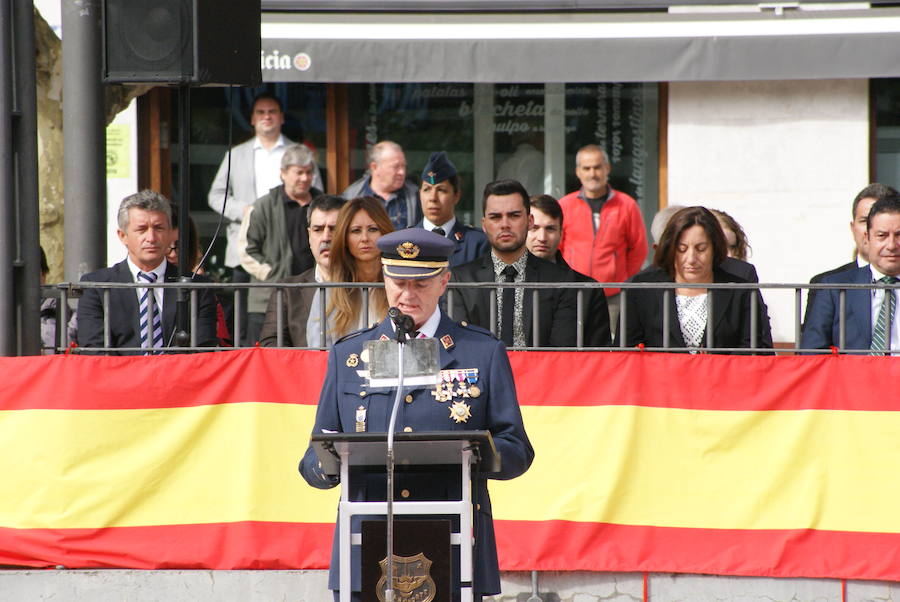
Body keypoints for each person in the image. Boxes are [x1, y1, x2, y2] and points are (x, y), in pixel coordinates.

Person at [298, 228, 534, 601]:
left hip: (453, 539)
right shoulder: (349, 355)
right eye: (398, 282)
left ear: (444, 281)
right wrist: (326, 464)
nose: (408, 296)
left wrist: (478, 454)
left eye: (421, 283)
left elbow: (517, 449)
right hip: (367, 536)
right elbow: (315, 453)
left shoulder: (480, 352)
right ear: (383, 279)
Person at [207, 93, 323, 344]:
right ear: (252, 119)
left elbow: (320, 198)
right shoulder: (236, 154)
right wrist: (245, 211)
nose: (266, 117)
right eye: (261, 112)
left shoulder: (298, 152)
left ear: (281, 117)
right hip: (252, 252)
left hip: (298, 252)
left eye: (272, 112)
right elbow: (216, 195)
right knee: (250, 325)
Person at [77, 190, 218, 354]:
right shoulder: (96, 286)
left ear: (170, 233)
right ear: (123, 236)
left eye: (159, 228)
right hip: (119, 377)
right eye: (141, 229)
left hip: (178, 377)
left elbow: (202, 350)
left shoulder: (196, 287)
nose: (151, 237)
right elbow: (95, 350)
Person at [617, 206, 772, 353]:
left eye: (701, 249)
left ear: (715, 248)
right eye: (682, 249)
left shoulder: (740, 290)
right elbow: (625, 354)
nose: (691, 259)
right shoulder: (640, 290)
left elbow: (756, 350)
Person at [450, 179, 576, 348]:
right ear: (484, 225)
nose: (505, 225)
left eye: (514, 216)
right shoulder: (460, 280)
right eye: (495, 217)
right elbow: (461, 345)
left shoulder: (560, 280)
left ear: (529, 221)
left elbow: (562, 349)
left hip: (543, 373)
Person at [238, 144, 324, 344]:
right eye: (299, 172)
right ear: (283, 173)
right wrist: (273, 275)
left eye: (309, 172)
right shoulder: (262, 206)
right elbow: (246, 250)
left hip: (316, 296)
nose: (304, 178)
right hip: (268, 299)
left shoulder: (324, 205)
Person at [558, 144, 648, 331]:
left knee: (612, 349)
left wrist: (621, 280)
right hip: (573, 294)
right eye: (587, 168)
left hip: (613, 297)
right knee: (573, 346)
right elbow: (557, 248)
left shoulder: (626, 205)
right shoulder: (565, 206)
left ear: (607, 168)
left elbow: (638, 249)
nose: (593, 174)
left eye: (597, 167)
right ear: (578, 172)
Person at [802, 195, 900, 353]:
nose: (891, 245)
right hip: (853, 376)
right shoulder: (834, 288)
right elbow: (811, 352)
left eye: (899, 235)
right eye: (882, 236)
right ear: (867, 238)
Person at [259, 194, 346, 347]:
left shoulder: (366, 285)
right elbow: (271, 344)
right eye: (318, 229)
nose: (326, 237)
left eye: (334, 229)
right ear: (309, 235)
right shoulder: (287, 290)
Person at [527, 194, 611, 346]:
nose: (542, 237)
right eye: (534, 228)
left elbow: (600, 354)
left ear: (561, 233)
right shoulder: (504, 281)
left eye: (550, 229)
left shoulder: (588, 289)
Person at [316, 197, 394, 346]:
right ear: (344, 238)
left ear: (385, 232)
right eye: (356, 231)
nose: (365, 238)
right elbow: (317, 352)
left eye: (373, 229)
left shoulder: (399, 287)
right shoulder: (328, 291)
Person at [416, 151, 488, 267]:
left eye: (441, 190)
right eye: (427, 190)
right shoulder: (406, 240)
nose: (432, 198)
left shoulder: (477, 243)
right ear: (419, 194)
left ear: (456, 196)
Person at [342, 140, 420, 230]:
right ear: (374, 167)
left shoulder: (415, 195)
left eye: (403, 166)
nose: (402, 172)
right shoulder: (351, 197)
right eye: (396, 167)